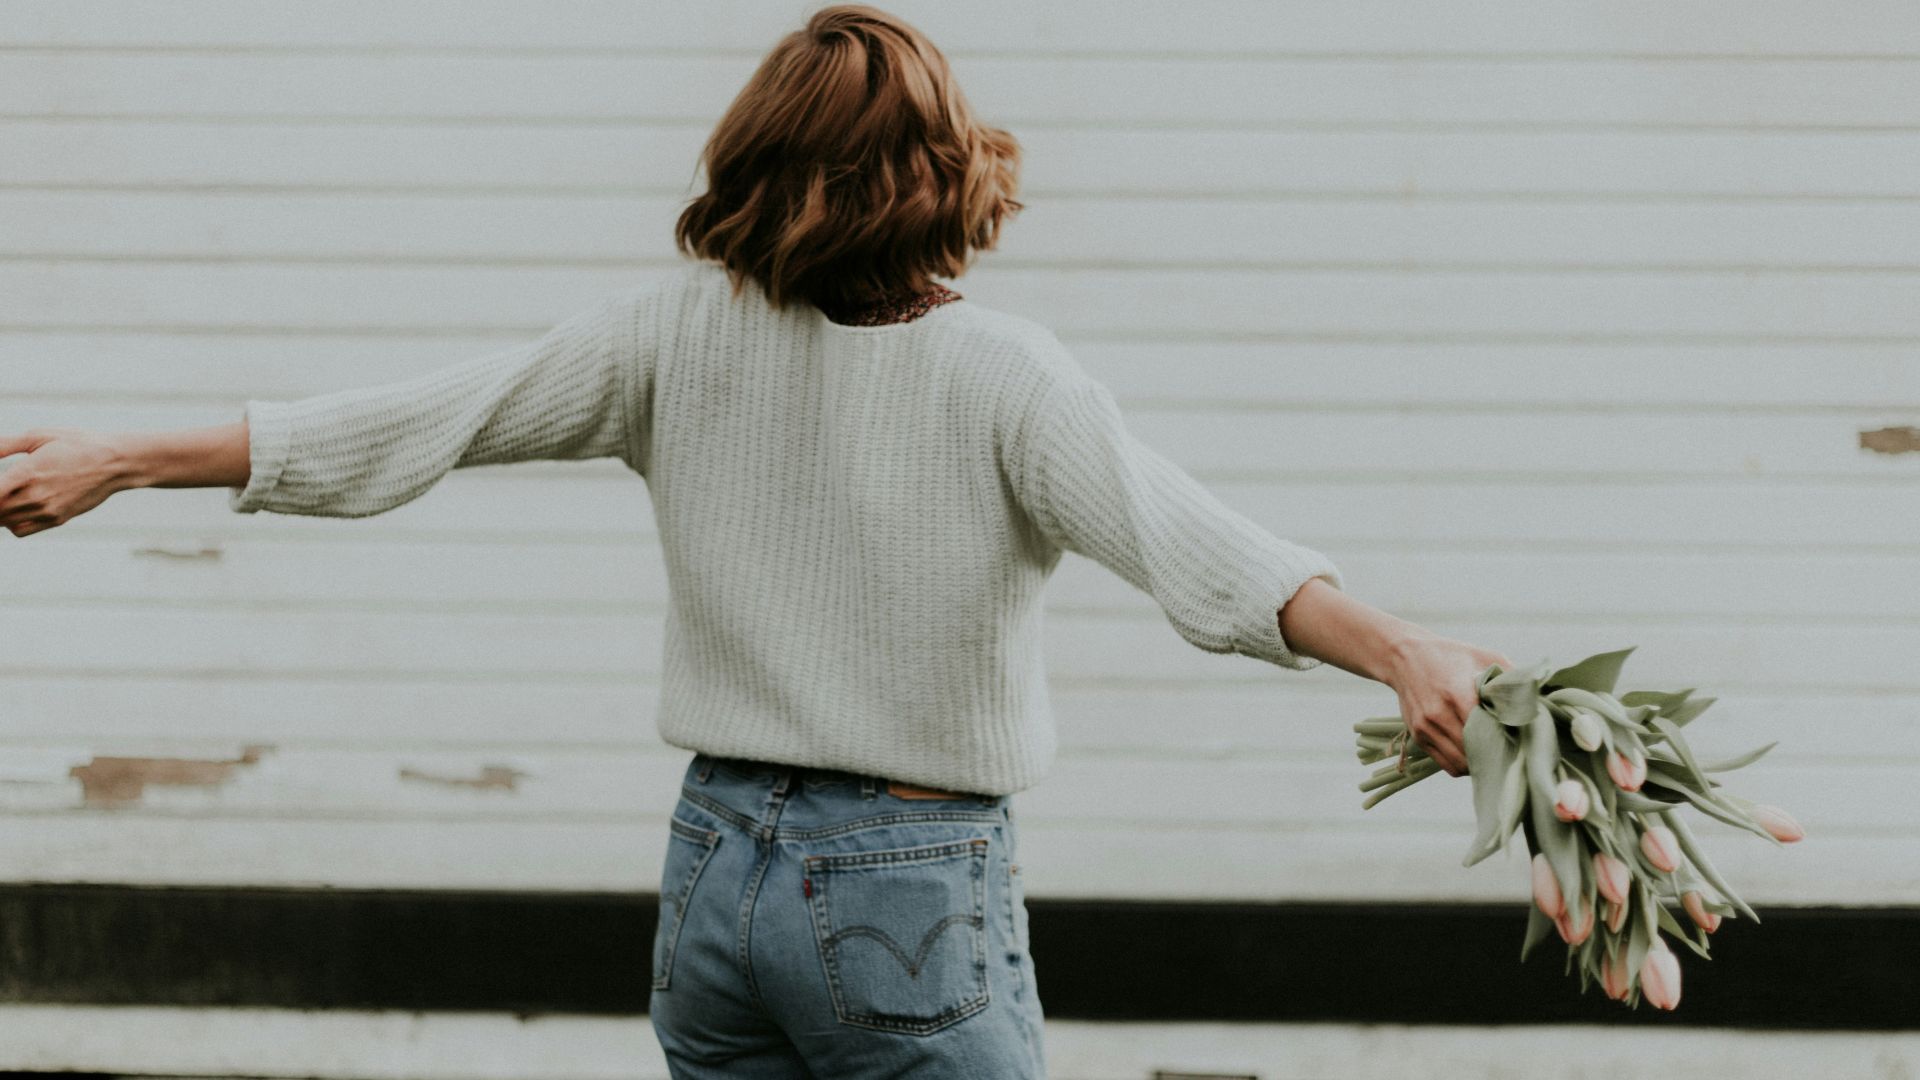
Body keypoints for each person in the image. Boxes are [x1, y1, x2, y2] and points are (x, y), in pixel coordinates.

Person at [0, 5, 1509, 1077]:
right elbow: (1207, 555)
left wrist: (120, 457)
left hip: (714, 868)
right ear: (944, 173)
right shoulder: (1004, 374)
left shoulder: (672, 338)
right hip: (906, 887)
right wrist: (1403, 651)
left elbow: (411, 424)